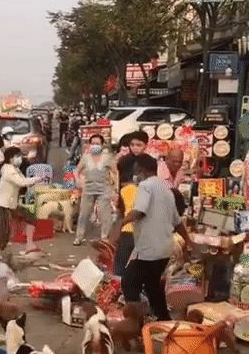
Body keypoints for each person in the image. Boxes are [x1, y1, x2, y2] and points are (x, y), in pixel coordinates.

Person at [120, 154, 191, 321]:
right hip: (164, 249)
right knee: (152, 286)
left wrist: (120, 225)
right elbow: (178, 221)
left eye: (136, 169)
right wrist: (189, 241)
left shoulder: (145, 186)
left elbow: (139, 211)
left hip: (150, 249)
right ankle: (164, 320)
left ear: (141, 170)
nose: (135, 172)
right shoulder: (166, 189)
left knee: (129, 283)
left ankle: (135, 323)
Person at [0, 147, 42, 254]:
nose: (19, 159)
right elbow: (21, 182)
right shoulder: (8, 170)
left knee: (30, 217)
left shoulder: (15, 169)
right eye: (17, 156)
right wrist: (35, 179)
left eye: (20, 156)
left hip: (12, 205)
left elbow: (24, 181)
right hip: (3, 205)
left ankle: (29, 244)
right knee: (5, 232)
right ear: (10, 158)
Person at [73, 133, 117, 246]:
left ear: (103, 145)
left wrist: (115, 188)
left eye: (97, 143)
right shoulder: (85, 157)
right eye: (92, 143)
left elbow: (116, 172)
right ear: (89, 145)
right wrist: (79, 181)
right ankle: (79, 237)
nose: (95, 145)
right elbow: (76, 171)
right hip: (88, 189)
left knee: (105, 214)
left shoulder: (107, 158)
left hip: (104, 189)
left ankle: (104, 237)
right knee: (84, 214)